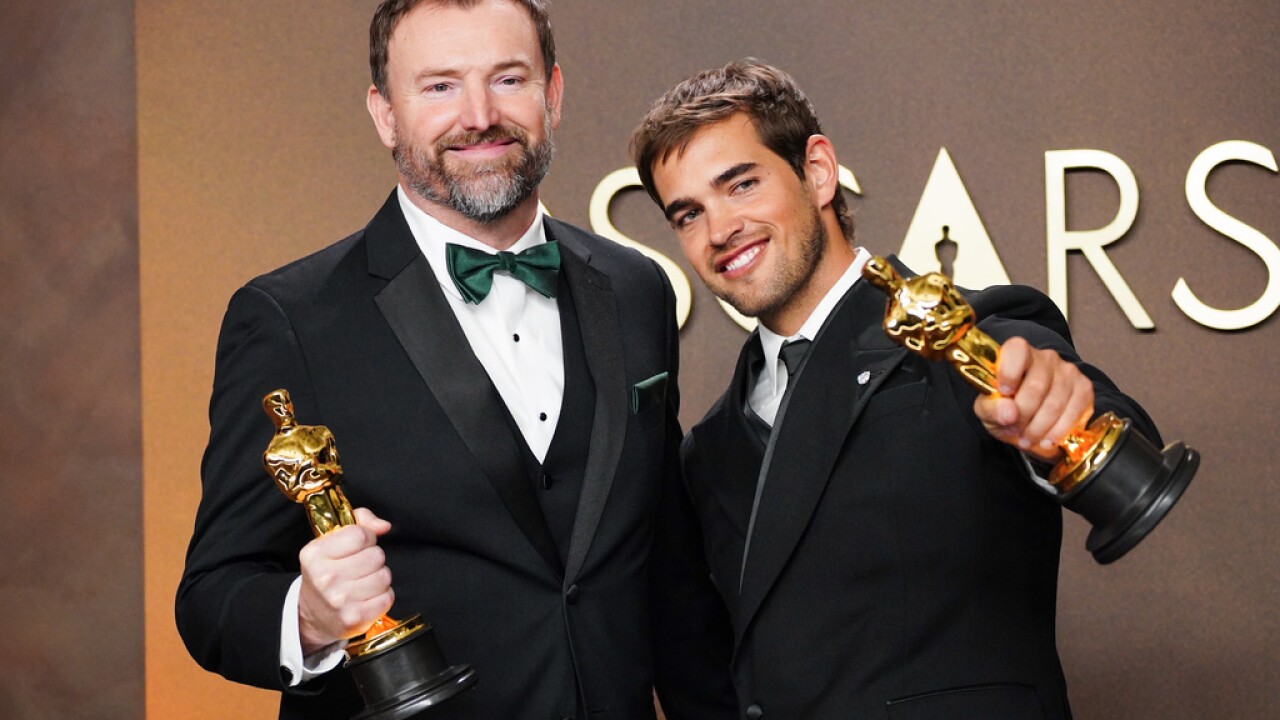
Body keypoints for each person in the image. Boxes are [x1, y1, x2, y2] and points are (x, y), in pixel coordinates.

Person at [175, 2, 736, 719]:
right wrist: (309, 616)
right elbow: (213, 597)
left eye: (508, 79)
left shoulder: (636, 288)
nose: (479, 116)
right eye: (440, 86)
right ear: (385, 115)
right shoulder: (291, 319)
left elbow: (672, 580)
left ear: (553, 94)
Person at [630, 59, 1164, 720]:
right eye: (688, 215)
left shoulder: (972, 339)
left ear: (817, 171)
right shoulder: (709, 450)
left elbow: (1096, 422)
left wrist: (1061, 420)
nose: (719, 231)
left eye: (742, 184)